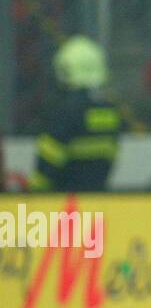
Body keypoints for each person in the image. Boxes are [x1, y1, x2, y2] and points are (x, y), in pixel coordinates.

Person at [31, 36, 122, 194]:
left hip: (60, 198)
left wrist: (34, 192)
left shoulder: (66, 110)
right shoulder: (110, 110)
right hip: (97, 195)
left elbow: (49, 159)